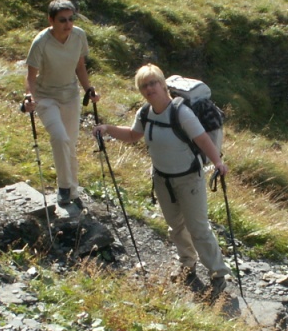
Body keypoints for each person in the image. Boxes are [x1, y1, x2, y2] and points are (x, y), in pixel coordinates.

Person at [94, 64, 231, 294]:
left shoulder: (181, 112)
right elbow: (132, 135)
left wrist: (218, 162)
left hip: (189, 179)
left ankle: (218, 273)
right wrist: (107, 128)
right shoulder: (145, 113)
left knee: (198, 228)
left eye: (153, 83)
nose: (149, 89)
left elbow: (202, 139)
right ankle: (187, 264)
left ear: (163, 85)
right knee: (175, 227)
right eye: (144, 86)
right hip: (161, 179)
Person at [23, 0, 99, 206]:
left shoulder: (79, 36)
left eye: (70, 19)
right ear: (51, 20)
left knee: (70, 145)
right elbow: (31, 76)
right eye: (62, 20)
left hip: (70, 96)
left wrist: (88, 89)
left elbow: (80, 66)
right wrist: (29, 96)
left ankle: (73, 192)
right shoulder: (41, 42)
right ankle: (64, 187)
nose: (68, 24)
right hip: (46, 97)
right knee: (59, 138)